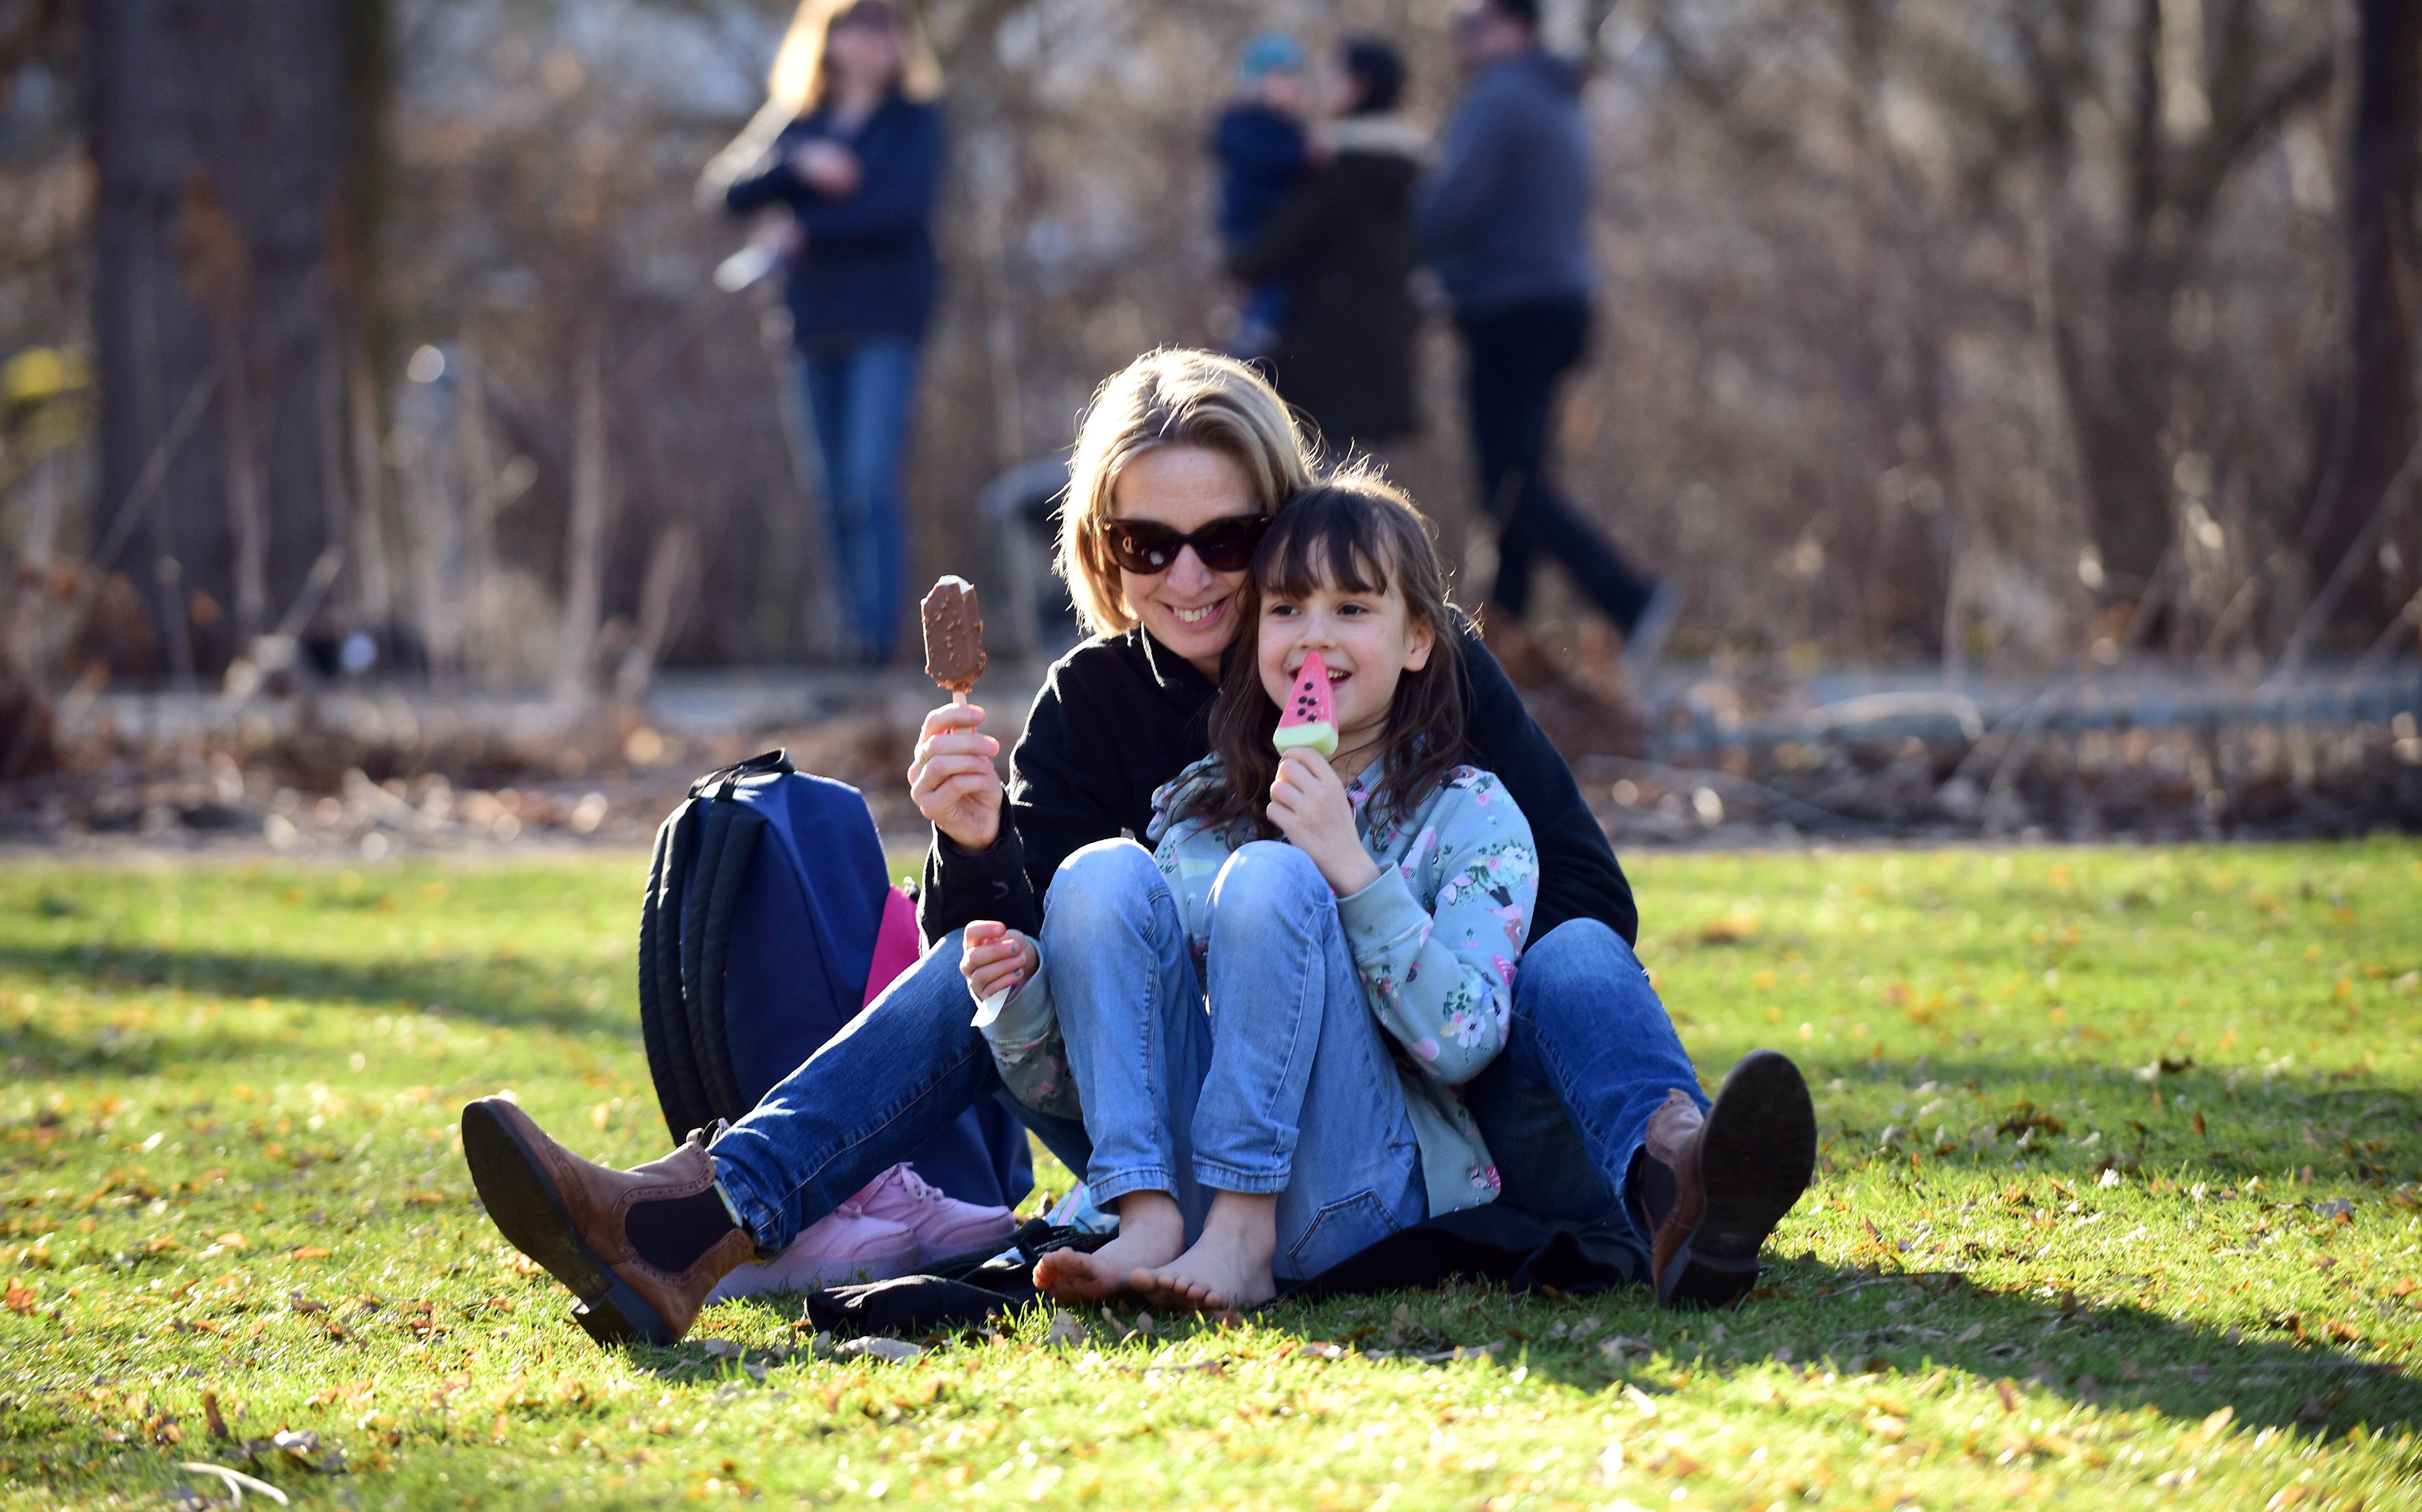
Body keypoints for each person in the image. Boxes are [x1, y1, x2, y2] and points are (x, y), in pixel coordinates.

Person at [459, 349, 1812, 1347]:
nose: (1190, 575)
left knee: (1571, 952)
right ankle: (690, 1219)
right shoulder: (1096, 706)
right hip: (1169, 1130)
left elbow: (1575, 892)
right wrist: (974, 852)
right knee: (1001, 948)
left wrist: (1378, 919)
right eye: (1143, 541)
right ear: (1099, 551)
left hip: (1446, 1106)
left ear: (1287, 521)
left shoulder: (1410, 663)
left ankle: (1678, 1180)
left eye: (1228, 537)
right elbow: (1014, 992)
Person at [964, 477, 1535, 1307]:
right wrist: (1020, 1002)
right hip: (1183, 1199)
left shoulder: (1473, 815)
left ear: (1418, 638)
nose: (1314, 639)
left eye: (1351, 610)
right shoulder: (1199, 810)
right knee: (1098, 872)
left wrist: (1352, 871)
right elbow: (1076, 1088)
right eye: (1287, 609)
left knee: (1274, 876)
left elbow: (1468, 1041)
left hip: (1360, 1195)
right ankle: (1147, 1218)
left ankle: (1242, 1236)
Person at [1417, 0, 1680, 675]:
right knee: (1520, 480)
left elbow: (1450, 209)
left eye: (1473, 22)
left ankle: (1630, 600)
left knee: (1509, 484)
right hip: (1557, 305)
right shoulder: (1554, 97)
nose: (1461, 38)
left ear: (1514, 27)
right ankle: (1503, 643)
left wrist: (1390, 239)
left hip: (1512, 310)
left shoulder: (1501, 97)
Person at [707, 0, 946, 665]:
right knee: (830, 491)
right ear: (830, 39)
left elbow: (900, 210)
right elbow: (724, 190)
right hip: (810, 323)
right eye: (862, 26)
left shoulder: (915, 120)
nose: (879, 40)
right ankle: (848, 635)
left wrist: (807, 234)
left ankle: (878, 640)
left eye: (889, 26)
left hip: (887, 319)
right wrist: (797, 162)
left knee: (870, 480)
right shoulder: (797, 119)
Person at [1230, 38, 1425, 452]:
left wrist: (1238, 257)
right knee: (1369, 493)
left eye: (1336, 76)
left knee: (1319, 493)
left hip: (1325, 365)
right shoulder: (1413, 169)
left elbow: (1264, 254)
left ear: (1359, 86)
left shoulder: (1337, 170)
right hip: (1386, 359)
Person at [1209, 31, 1312, 360]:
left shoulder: (1285, 127)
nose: (1293, 86)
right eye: (1283, 77)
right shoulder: (1248, 125)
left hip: (1269, 224)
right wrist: (1304, 154)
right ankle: (1256, 335)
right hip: (1252, 223)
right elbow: (1267, 158)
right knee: (1271, 287)